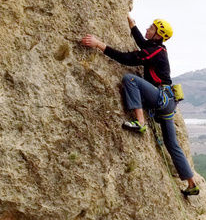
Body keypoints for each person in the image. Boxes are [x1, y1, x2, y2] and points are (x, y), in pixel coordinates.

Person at [81, 16, 199, 195]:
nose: (147, 29)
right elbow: (144, 45)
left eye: (151, 28)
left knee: (129, 79)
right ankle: (192, 184)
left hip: (162, 98)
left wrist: (99, 44)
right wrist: (133, 26)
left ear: (158, 35)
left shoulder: (156, 52)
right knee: (172, 144)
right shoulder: (158, 49)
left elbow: (126, 59)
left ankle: (140, 123)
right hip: (168, 102)